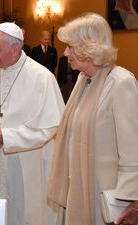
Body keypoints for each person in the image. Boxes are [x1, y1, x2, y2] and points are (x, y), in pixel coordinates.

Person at [0, 22, 65, 225]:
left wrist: (7, 136)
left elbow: (48, 127)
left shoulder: (42, 77)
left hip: (27, 160)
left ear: (15, 48)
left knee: (24, 210)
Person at [47, 13, 138, 225]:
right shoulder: (83, 80)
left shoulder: (121, 83)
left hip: (105, 193)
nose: (65, 52)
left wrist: (134, 203)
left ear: (89, 46)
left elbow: (133, 149)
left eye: (70, 46)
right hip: (77, 186)